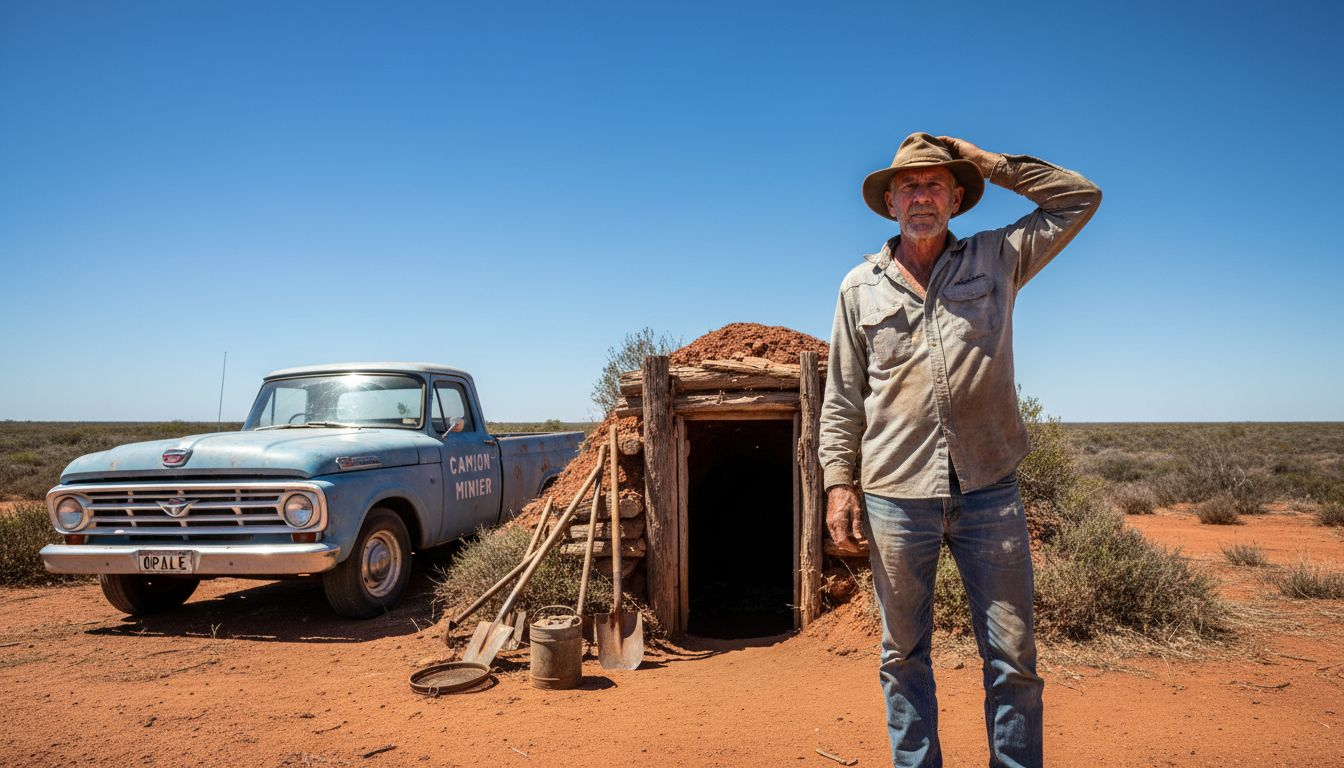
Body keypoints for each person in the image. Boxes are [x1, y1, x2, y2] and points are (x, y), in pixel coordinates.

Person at [819, 132, 1101, 768]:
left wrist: (986, 162)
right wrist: (840, 483)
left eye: (936, 185)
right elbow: (841, 399)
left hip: (990, 490)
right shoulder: (859, 289)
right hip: (894, 495)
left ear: (956, 198)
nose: (922, 196)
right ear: (890, 202)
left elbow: (1080, 198)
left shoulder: (997, 258)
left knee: (1013, 659)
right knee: (902, 657)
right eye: (910, 186)